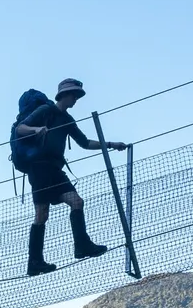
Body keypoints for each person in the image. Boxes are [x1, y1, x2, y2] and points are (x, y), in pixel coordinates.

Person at [9, 78, 126, 276]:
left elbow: (84, 142)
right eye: (74, 95)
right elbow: (20, 129)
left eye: (77, 95)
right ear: (64, 94)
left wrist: (111, 144)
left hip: (55, 168)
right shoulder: (45, 111)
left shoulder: (68, 120)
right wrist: (36, 129)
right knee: (41, 214)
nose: (76, 99)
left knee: (77, 202)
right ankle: (34, 262)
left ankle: (82, 246)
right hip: (39, 168)